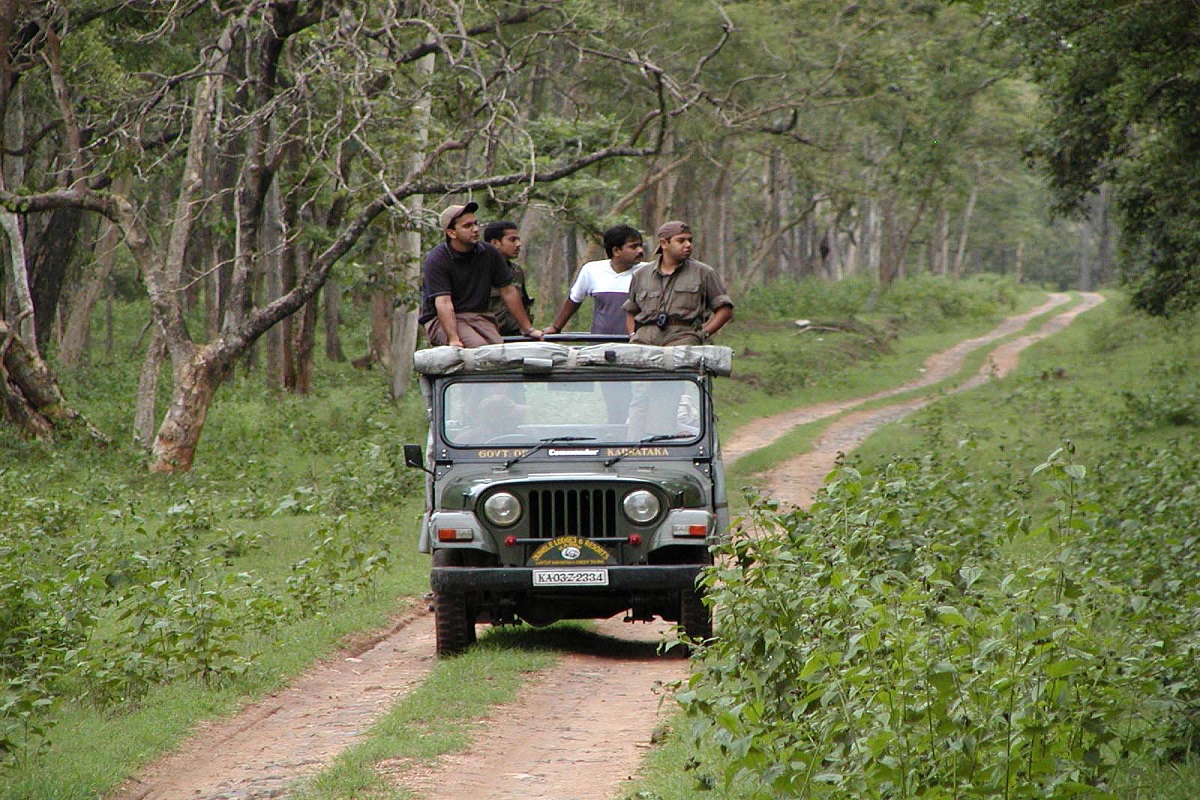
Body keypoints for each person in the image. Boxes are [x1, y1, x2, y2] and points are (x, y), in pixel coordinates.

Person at [418, 202, 543, 347]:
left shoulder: (488, 253)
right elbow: (444, 302)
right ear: (451, 233)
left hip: (479, 318)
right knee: (478, 348)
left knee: (498, 350)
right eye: (467, 226)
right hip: (442, 320)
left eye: (476, 224)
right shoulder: (438, 258)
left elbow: (508, 291)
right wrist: (453, 339)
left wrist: (528, 329)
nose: (475, 229)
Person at [623, 220, 733, 346]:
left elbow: (725, 310)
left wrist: (703, 333)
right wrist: (632, 335)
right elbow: (631, 311)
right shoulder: (641, 274)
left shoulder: (704, 273)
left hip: (683, 340)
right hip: (644, 340)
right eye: (681, 241)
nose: (688, 245)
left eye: (690, 240)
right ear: (664, 243)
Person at [544, 224, 645, 336]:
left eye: (640, 246)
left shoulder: (648, 272)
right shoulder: (591, 270)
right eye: (633, 247)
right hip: (600, 343)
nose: (640, 251)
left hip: (636, 343)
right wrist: (556, 327)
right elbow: (574, 300)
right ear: (616, 251)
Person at [483, 220, 535, 336]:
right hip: (488, 336)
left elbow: (525, 304)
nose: (518, 244)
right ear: (495, 243)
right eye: (512, 240)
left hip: (516, 337)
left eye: (518, 239)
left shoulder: (517, 271)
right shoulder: (480, 271)